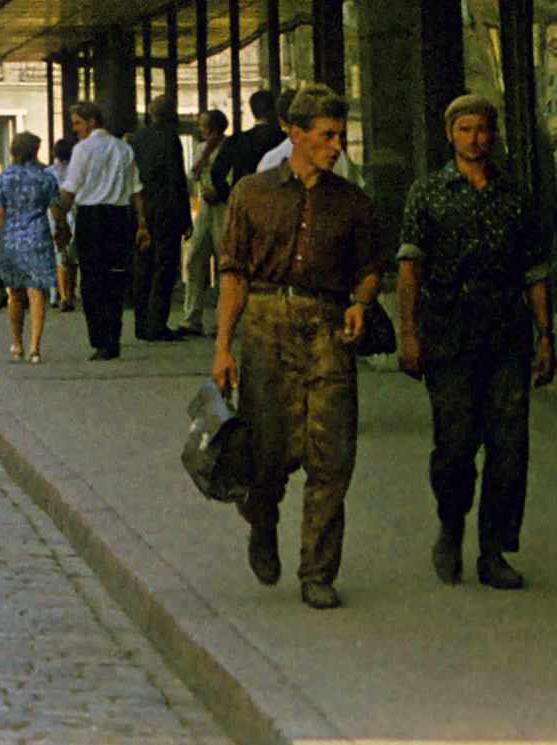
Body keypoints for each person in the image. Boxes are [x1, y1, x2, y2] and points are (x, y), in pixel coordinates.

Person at [214, 83, 381, 611]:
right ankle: (262, 524)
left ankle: (318, 570)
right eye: (327, 136)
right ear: (295, 134)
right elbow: (234, 275)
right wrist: (223, 348)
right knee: (266, 455)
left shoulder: (352, 202)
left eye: (342, 135)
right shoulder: (251, 193)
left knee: (332, 456)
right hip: (266, 321)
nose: (337, 146)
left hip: (329, 326)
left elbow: (371, 269)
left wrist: (361, 302)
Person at [398, 93, 555, 590]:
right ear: (450, 134)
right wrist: (409, 332)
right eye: (465, 129)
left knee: (509, 446)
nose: (474, 138)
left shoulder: (514, 195)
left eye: (482, 129)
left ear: (494, 134)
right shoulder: (427, 192)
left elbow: (534, 270)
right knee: (456, 446)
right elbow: (409, 266)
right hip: (448, 331)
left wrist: (546, 335)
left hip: (506, 331)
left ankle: (493, 552)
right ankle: (451, 524)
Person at [56, 102, 149, 362]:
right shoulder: (124, 149)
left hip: (91, 219)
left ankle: (99, 340)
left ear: (91, 121)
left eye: (77, 122)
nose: (74, 129)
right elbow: (136, 190)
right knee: (116, 279)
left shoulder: (82, 149)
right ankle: (114, 338)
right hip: (119, 219)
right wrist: (142, 224)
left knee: (92, 281)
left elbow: (70, 188)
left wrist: (60, 218)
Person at [0, 132, 57, 362]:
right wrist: (63, 232)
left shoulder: (4, 178)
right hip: (38, 238)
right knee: (36, 292)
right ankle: (35, 346)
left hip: (11, 240)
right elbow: (56, 209)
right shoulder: (45, 177)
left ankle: (17, 344)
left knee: (15, 293)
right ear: (36, 150)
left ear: (13, 151)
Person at [128, 95, 190, 342]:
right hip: (166, 208)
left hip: (142, 206)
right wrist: (185, 217)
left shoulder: (136, 138)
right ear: (171, 114)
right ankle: (157, 323)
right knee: (164, 266)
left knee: (143, 265)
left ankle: (141, 323)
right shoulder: (170, 139)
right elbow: (177, 179)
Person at [182, 110, 230, 336]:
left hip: (223, 208)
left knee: (224, 262)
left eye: (203, 126)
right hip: (204, 208)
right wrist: (206, 152)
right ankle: (192, 316)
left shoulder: (230, 148)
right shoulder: (202, 148)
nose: (200, 130)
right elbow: (192, 174)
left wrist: (219, 193)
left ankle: (223, 320)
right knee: (194, 260)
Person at [210, 90, 282, 203]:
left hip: (245, 199)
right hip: (277, 200)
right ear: (273, 111)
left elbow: (216, 173)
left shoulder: (235, 141)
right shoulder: (283, 140)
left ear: (252, 111)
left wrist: (228, 196)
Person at [50, 136, 77, 313]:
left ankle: (62, 295)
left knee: (59, 256)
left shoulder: (49, 172)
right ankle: (71, 293)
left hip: (53, 215)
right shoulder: (75, 171)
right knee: (71, 257)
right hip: (74, 214)